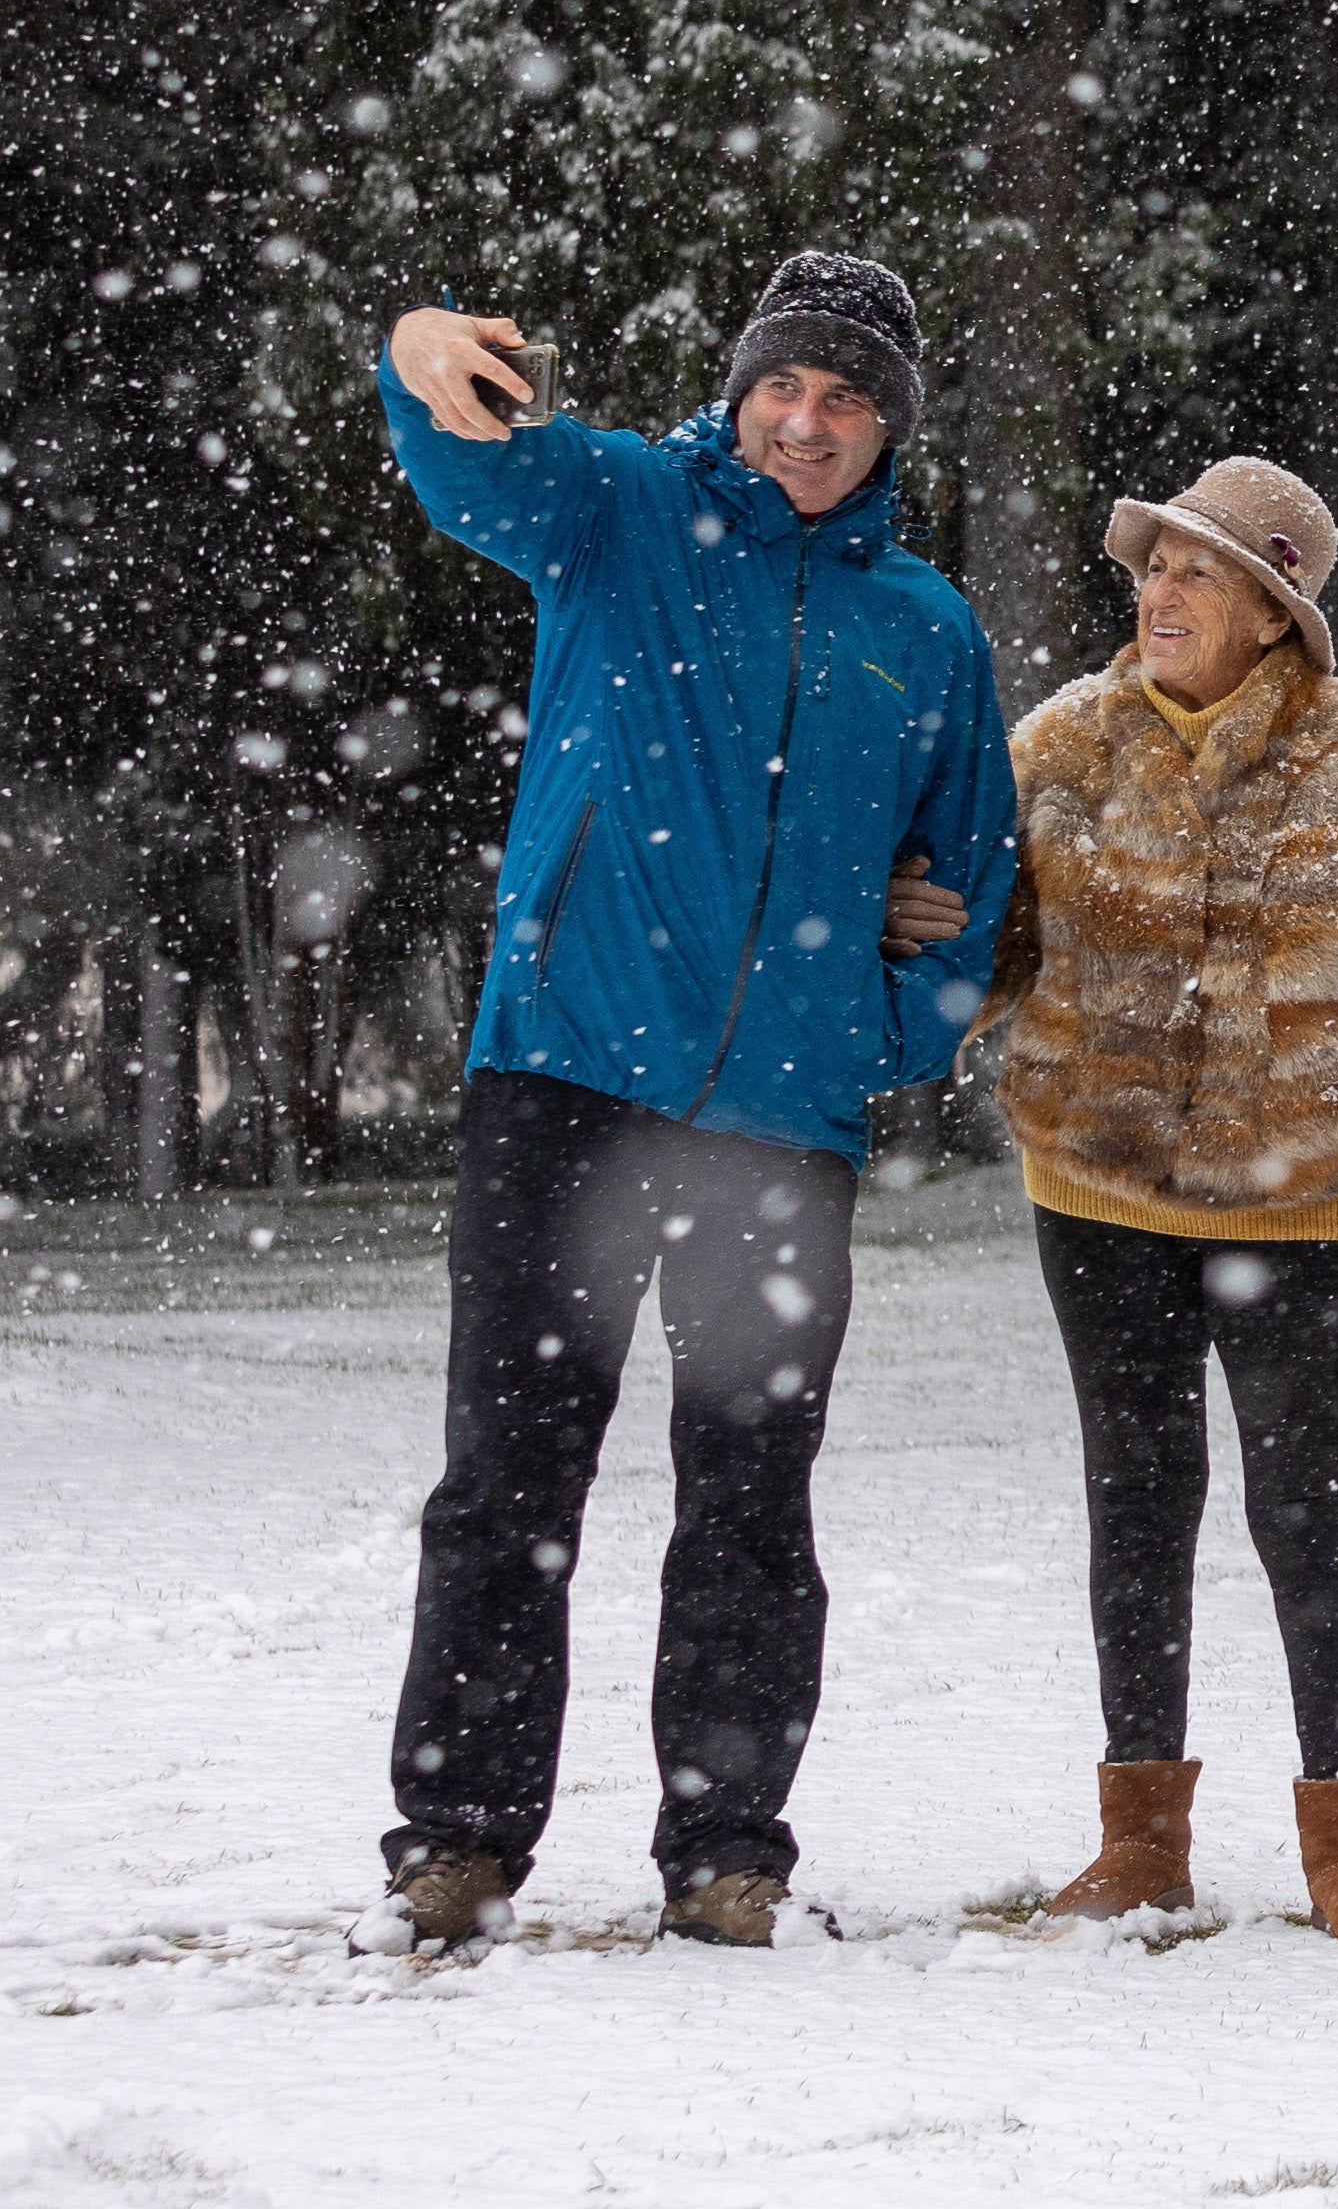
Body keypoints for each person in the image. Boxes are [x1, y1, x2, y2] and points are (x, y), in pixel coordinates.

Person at [362, 255, 1016, 1954]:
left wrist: (880, 1030)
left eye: (847, 398)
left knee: (750, 1496)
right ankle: (458, 1841)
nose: (807, 421)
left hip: (781, 1124)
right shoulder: (625, 509)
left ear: (888, 432)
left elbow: (971, 871)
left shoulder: (924, 629)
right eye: (784, 385)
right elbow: (471, 464)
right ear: (739, 393)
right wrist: (417, 352)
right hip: (565, 1071)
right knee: (509, 1477)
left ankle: (726, 1850)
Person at [966, 456, 1338, 1943]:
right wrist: (924, 944)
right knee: (1135, 1492)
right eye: (1154, 565)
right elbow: (979, 937)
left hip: (1302, 1200)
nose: (1160, 592)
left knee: (1311, 1499)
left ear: (1275, 612)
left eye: (1200, 574)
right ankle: (1139, 1840)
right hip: (1094, 1185)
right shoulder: (1061, 747)